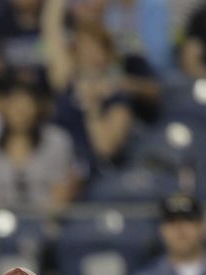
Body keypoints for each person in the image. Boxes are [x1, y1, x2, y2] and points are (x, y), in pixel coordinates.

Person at [41, 0, 137, 177]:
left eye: (96, 48)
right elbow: (52, 31)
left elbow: (106, 149)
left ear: (107, 54)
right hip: (61, 169)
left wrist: (93, 108)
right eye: (84, 48)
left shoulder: (116, 95)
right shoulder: (65, 80)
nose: (90, 54)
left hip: (100, 174)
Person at [0, 80, 80, 216]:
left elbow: (62, 187)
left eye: (26, 105)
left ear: (36, 108)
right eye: (14, 105)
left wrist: (48, 222)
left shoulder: (56, 140)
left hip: (47, 220)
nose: (20, 112)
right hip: (5, 224)